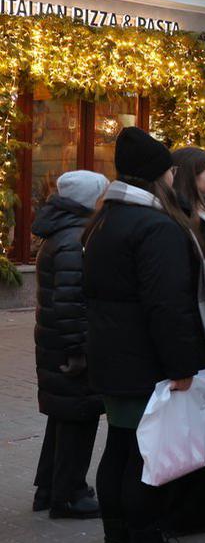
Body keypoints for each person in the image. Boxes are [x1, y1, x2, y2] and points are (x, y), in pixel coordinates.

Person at [84, 127, 205, 543]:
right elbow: (167, 305)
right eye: (171, 172)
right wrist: (182, 365)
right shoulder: (156, 227)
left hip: (112, 356)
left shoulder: (104, 221)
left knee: (120, 448)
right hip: (145, 361)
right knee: (145, 457)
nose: (175, 178)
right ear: (159, 176)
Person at [163, 147, 205, 537]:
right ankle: (192, 510)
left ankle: (201, 506)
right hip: (198, 338)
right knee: (203, 423)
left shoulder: (202, 215)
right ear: (190, 176)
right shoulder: (185, 221)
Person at [31, 170, 108, 519]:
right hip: (68, 348)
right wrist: (78, 350)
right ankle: (69, 495)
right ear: (89, 199)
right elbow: (70, 301)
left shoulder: (62, 231)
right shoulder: (75, 238)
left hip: (55, 343)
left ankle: (49, 488)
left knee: (63, 416)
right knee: (78, 416)